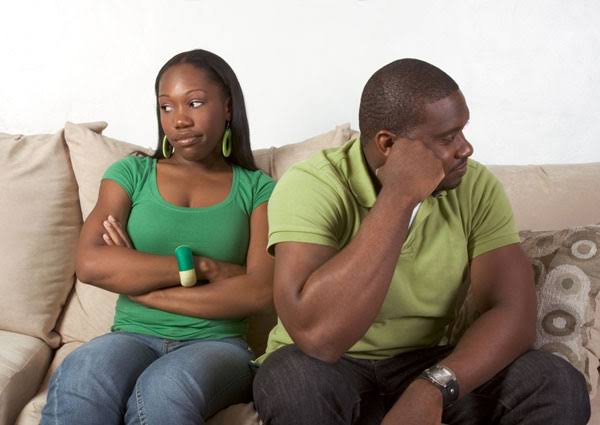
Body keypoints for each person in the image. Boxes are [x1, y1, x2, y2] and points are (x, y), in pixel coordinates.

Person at [252, 58, 590, 425]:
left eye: (462, 131)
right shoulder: (312, 185)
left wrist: (433, 388)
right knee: (293, 380)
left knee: (553, 380)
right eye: (447, 138)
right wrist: (399, 197)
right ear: (388, 144)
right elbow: (318, 338)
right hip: (323, 368)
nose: (466, 148)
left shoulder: (475, 187)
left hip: (424, 364)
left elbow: (512, 311)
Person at [41, 49, 275, 425]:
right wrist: (202, 267)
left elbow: (261, 292)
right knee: (83, 372)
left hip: (218, 344)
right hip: (131, 336)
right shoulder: (131, 174)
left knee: (165, 388)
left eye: (195, 103)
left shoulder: (258, 189)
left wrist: (141, 287)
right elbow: (90, 263)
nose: (179, 120)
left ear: (228, 107)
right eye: (166, 107)